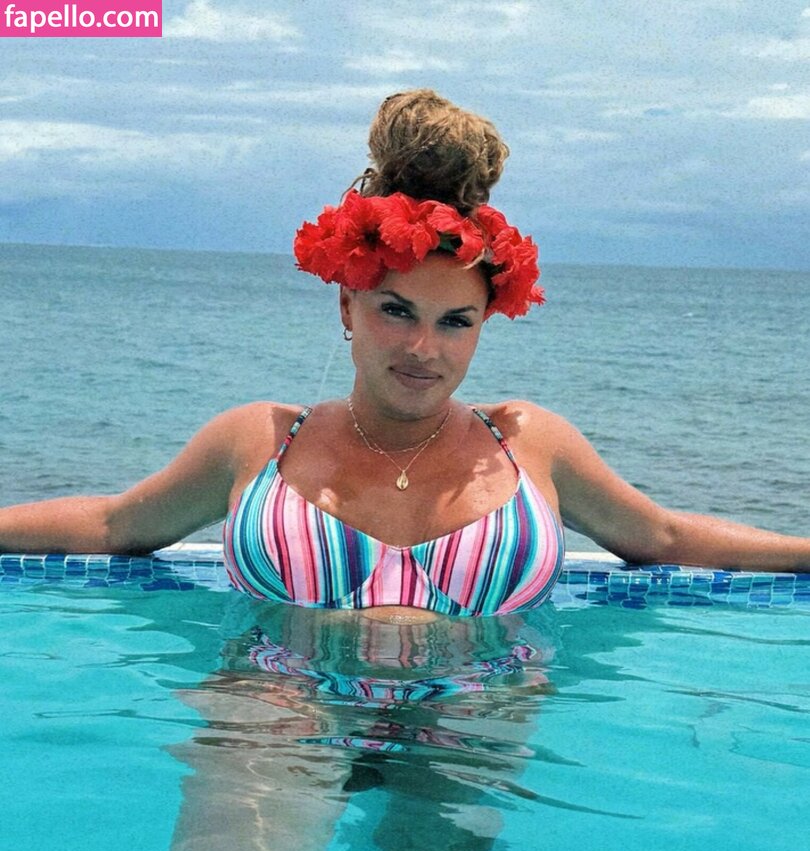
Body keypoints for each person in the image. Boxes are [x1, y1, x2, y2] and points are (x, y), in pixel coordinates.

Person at [1, 89, 808, 617]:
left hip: (469, 726)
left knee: (441, 838)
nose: (425, 348)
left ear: (487, 322)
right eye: (396, 312)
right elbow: (114, 524)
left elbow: (662, 539)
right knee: (245, 835)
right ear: (347, 306)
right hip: (281, 715)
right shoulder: (259, 440)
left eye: (456, 321)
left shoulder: (530, 444)